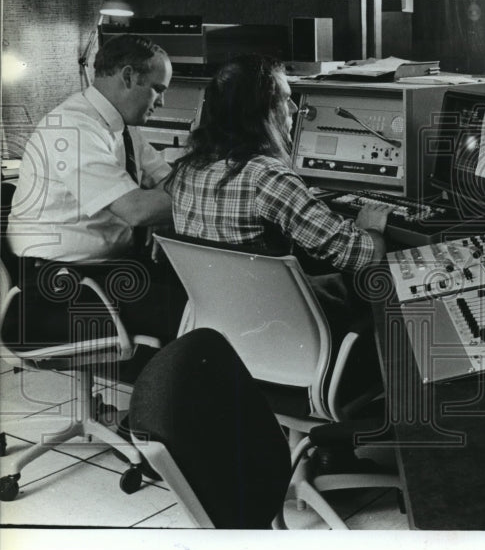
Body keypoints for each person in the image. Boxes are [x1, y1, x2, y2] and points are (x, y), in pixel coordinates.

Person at [166, 55, 391, 403]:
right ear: (263, 112)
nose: (294, 110)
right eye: (285, 100)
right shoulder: (266, 177)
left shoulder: (185, 171)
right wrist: (370, 228)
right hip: (293, 348)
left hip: (226, 342)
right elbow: (360, 256)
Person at [6, 34, 187, 349]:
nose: (162, 102)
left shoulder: (123, 128)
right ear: (128, 76)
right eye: (158, 90)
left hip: (102, 269)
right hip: (55, 286)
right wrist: (213, 199)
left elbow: (167, 182)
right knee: (194, 314)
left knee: (200, 293)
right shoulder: (72, 128)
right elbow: (137, 210)